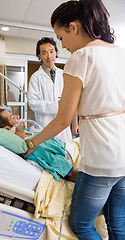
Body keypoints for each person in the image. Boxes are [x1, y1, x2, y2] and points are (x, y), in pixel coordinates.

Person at [23, 0, 125, 239]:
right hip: (123, 152)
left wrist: (31, 144)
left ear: (73, 27)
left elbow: (62, 120)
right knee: (118, 225)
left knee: (80, 224)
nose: (62, 45)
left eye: (60, 38)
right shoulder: (120, 53)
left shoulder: (81, 57)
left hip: (101, 158)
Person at [0, 109, 78, 182]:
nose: (18, 117)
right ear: (7, 129)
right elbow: (68, 171)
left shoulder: (29, 135)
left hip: (72, 148)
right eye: (13, 117)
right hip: (73, 156)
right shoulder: (30, 149)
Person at [27, 37, 79, 142]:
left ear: (55, 52)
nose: (49, 56)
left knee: (66, 154)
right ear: (39, 56)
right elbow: (33, 103)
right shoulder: (36, 77)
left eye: (51, 51)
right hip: (45, 126)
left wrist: (75, 124)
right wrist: (58, 105)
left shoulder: (64, 74)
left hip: (64, 127)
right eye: (45, 53)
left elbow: (72, 100)